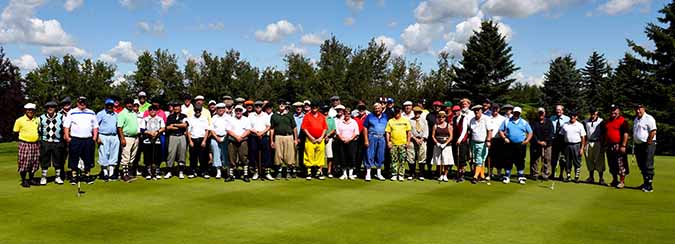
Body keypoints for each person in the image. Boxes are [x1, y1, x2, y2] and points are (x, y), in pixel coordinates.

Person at [63, 96, 98, 185]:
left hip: (88, 139)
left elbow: (95, 126)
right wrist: (67, 137)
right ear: (77, 102)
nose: (82, 104)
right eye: (80, 102)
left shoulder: (91, 112)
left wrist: (94, 137)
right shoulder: (72, 112)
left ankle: (87, 175)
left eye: (84, 102)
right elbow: (66, 126)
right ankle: (74, 176)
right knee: (74, 158)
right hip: (75, 139)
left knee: (88, 158)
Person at [499, 107, 532, 184]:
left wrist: (527, 140)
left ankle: (520, 176)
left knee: (520, 160)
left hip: (520, 144)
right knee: (508, 160)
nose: (516, 114)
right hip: (509, 144)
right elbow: (500, 130)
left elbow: (530, 132)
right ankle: (507, 176)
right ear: (513, 113)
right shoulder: (507, 121)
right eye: (515, 113)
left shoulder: (524, 122)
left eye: (518, 113)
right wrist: (504, 138)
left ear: (520, 114)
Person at [38, 101, 66, 185]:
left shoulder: (61, 117)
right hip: (45, 142)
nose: (50, 108)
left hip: (57, 142)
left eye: (52, 107)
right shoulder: (41, 118)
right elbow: (39, 129)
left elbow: (65, 128)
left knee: (58, 160)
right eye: (48, 107)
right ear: (46, 108)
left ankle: (57, 177)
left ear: (55, 108)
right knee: (44, 160)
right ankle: (43, 177)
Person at [13, 103, 40, 188]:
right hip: (25, 144)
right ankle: (24, 180)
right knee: (24, 163)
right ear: (25, 110)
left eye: (32, 110)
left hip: (35, 144)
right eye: (28, 109)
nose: (30, 111)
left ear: (34, 111)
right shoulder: (19, 120)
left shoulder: (37, 119)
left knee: (34, 163)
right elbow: (15, 132)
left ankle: (31, 179)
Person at [270, 99, 298, 179]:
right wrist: (272, 141)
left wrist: (295, 139)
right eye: (280, 104)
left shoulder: (290, 115)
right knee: (278, 155)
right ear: (278, 105)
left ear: (285, 105)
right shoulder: (274, 116)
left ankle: (288, 172)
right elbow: (272, 129)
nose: (281, 105)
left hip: (288, 136)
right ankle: (279, 171)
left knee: (289, 155)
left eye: (283, 104)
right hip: (278, 137)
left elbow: (294, 128)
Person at [604, 104, 630, 189]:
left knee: (620, 164)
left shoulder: (622, 121)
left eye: (615, 110)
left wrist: (623, 145)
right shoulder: (608, 121)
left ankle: (622, 181)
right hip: (609, 145)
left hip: (618, 145)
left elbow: (626, 134)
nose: (613, 112)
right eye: (612, 110)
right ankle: (614, 180)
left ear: (618, 111)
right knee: (612, 164)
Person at [633, 104, 657, 192]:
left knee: (648, 164)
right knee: (641, 164)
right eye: (636, 109)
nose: (638, 111)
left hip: (648, 144)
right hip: (638, 145)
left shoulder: (649, 118)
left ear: (643, 109)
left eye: (639, 109)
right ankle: (645, 182)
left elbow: (653, 131)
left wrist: (649, 142)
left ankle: (649, 185)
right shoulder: (636, 119)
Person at [301, 102, 328, 180]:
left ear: (318, 107)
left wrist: (321, 137)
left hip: (320, 139)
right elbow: (304, 128)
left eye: (316, 106)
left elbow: (325, 128)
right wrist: (311, 137)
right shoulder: (307, 116)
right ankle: (309, 172)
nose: (314, 108)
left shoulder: (322, 116)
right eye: (313, 106)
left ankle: (318, 172)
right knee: (309, 155)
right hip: (310, 139)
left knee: (320, 156)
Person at [363, 102, 389, 181]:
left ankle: (379, 173)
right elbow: (365, 128)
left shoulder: (385, 116)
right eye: (376, 108)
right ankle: (368, 173)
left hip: (382, 138)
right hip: (372, 137)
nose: (377, 110)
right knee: (369, 154)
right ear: (374, 109)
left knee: (380, 155)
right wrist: (366, 140)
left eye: (379, 108)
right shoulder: (369, 116)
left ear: (381, 109)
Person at [96, 99, 120, 182]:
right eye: (108, 105)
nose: (109, 107)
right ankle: (105, 173)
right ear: (105, 105)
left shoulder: (116, 114)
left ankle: (111, 173)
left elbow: (118, 126)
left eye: (111, 105)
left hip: (114, 136)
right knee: (104, 154)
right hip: (103, 135)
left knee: (113, 154)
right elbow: (96, 126)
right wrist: (97, 137)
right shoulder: (100, 114)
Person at [385, 107, 411, 181]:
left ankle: (401, 174)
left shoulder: (405, 121)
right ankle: (394, 174)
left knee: (402, 160)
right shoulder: (390, 121)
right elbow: (387, 132)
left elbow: (409, 132)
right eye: (396, 112)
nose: (397, 114)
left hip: (403, 143)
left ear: (400, 112)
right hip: (393, 144)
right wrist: (388, 142)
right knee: (394, 160)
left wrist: (408, 142)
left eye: (398, 112)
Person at [249, 101, 273, 181]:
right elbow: (249, 126)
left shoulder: (265, 115)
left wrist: (261, 133)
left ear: (262, 107)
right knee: (253, 153)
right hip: (254, 136)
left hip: (264, 136)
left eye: (259, 106)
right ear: (254, 107)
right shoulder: (251, 115)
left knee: (266, 153)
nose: (258, 107)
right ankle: (256, 171)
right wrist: (256, 132)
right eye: (256, 106)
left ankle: (267, 172)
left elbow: (268, 126)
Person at [117, 98, 140, 182]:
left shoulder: (133, 113)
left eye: (131, 103)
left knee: (132, 157)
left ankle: (129, 174)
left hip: (135, 137)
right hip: (127, 137)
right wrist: (122, 138)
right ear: (125, 104)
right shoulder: (122, 113)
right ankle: (125, 175)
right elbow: (119, 127)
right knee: (126, 156)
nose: (130, 105)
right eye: (128, 104)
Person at [165, 101, 189, 179]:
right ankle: (169, 171)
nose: (176, 108)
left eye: (178, 106)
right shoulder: (170, 116)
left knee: (182, 154)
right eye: (175, 107)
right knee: (171, 154)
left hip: (182, 136)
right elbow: (168, 127)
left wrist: (175, 124)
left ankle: (180, 171)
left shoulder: (184, 116)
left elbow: (185, 125)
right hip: (173, 136)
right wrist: (179, 125)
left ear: (180, 108)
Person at [560, 110, 586, 183]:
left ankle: (576, 177)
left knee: (577, 161)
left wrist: (582, 148)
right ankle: (568, 176)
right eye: (571, 115)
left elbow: (583, 137)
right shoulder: (565, 124)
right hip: (567, 145)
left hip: (576, 145)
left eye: (574, 116)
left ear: (576, 117)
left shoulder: (580, 125)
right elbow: (561, 135)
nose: (572, 117)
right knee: (567, 161)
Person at [228, 105, 252, 182]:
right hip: (232, 140)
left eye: (240, 110)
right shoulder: (231, 119)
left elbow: (248, 130)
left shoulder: (246, 119)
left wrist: (241, 137)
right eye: (237, 110)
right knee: (231, 158)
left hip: (243, 140)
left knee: (244, 157)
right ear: (235, 111)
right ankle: (231, 175)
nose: (238, 112)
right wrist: (236, 137)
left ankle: (245, 175)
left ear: (242, 111)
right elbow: (228, 130)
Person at [141, 105, 165, 180]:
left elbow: (163, 128)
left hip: (157, 140)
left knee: (157, 156)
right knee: (148, 156)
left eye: (154, 110)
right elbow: (142, 129)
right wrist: (149, 133)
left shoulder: (160, 119)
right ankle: (148, 172)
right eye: (151, 110)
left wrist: (157, 132)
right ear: (148, 111)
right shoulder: (145, 119)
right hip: (147, 140)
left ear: (156, 111)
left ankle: (156, 171)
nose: (152, 111)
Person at [468, 105, 491, 184]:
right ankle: (482, 176)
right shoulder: (472, 120)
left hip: (483, 142)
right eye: (475, 110)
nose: (476, 112)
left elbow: (490, 130)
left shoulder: (486, 118)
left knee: (479, 159)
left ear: (481, 110)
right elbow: (470, 131)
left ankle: (475, 176)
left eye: (478, 110)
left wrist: (488, 140)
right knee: (478, 160)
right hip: (473, 142)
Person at [186, 105, 210, 179]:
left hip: (202, 139)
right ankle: (193, 172)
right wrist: (190, 141)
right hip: (193, 139)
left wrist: (204, 141)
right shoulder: (190, 119)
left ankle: (203, 172)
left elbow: (206, 131)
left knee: (203, 157)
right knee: (193, 157)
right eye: (196, 110)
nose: (197, 111)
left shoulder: (204, 118)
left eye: (199, 110)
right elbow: (188, 131)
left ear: (201, 110)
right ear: (194, 110)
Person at [335, 107, 360, 180]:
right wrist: (342, 138)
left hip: (351, 142)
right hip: (342, 141)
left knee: (351, 157)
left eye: (348, 113)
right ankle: (344, 174)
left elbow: (356, 132)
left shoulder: (354, 122)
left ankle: (350, 174)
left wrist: (350, 139)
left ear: (350, 114)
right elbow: (337, 132)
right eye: (345, 113)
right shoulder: (340, 122)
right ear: (344, 113)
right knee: (343, 157)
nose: (347, 115)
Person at [530, 107, 554, 181]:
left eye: (542, 113)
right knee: (535, 159)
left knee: (547, 159)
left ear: (544, 113)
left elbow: (551, 132)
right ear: (538, 114)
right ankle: (535, 174)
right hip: (536, 143)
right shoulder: (533, 122)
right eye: (539, 113)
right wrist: (538, 141)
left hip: (547, 144)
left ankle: (545, 174)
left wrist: (545, 141)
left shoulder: (549, 122)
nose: (541, 114)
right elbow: (532, 133)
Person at [584, 107, 605, 184]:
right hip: (589, 142)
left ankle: (601, 178)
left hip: (598, 142)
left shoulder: (601, 121)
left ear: (597, 112)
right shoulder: (586, 121)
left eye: (594, 112)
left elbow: (603, 133)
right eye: (591, 112)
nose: (592, 114)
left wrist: (603, 144)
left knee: (599, 160)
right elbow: (584, 133)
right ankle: (591, 177)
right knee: (589, 160)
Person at [407, 106, 428, 180]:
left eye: (418, 112)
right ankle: (411, 173)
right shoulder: (410, 121)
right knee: (411, 156)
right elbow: (409, 131)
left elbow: (426, 131)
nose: (417, 114)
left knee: (422, 156)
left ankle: (421, 174)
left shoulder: (424, 121)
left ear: (420, 113)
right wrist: (415, 138)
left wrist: (422, 138)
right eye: (415, 112)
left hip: (422, 140)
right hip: (413, 140)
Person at [210, 103, 230, 180]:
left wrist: (224, 138)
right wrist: (217, 137)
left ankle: (228, 170)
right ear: (216, 109)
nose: (221, 110)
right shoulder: (214, 117)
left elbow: (230, 129)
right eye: (219, 108)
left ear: (225, 109)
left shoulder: (228, 117)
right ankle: (218, 171)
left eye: (222, 108)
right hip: (215, 138)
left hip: (226, 137)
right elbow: (211, 129)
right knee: (216, 153)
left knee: (226, 154)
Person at [431, 111, 453, 182]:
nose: (441, 118)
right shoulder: (435, 126)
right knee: (438, 160)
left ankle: (445, 175)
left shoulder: (448, 125)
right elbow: (433, 136)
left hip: (446, 145)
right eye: (439, 117)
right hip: (438, 145)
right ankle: (440, 174)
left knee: (446, 161)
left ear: (445, 118)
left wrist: (445, 143)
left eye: (443, 117)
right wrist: (437, 143)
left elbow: (451, 136)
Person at [550, 104, 570, 180]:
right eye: (557, 109)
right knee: (554, 158)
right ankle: (553, 173)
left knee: (563, 158)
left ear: (562, 110)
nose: (558, 111)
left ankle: (561, 174)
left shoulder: (567, 119)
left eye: (559, 109)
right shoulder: (552, 118)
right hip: (554, 140)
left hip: (563, 141)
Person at [487, 104, 506, 180]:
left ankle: (499, 174)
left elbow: (505, 129)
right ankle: (490, 173)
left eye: (496, 108)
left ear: (498, 109)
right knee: (490, 157)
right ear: (491, 109)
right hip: (490, 139)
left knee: (499, 157)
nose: (495, 110)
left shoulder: (503, 118)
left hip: (499, 140)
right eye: (493, 108)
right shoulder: (488, 118)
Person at [451, 105, 470, 182]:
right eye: (454, 111)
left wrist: (460, 139)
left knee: (462, 158)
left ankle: (462, 175)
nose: (456, 112)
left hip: (462, 140)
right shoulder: (454, 118)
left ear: (460, 111)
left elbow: (464, 130)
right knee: (456, 157)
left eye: (457, 111)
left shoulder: (464, 118)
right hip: (455, 140)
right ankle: (458, 173)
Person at [424, 101, 443, 177]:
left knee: (440, 155)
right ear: (433, 106)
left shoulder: (442, 115)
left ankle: (439, 171)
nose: (437, 107)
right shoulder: (429, 115)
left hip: (440, 138)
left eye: (438, 106)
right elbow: (426, 127)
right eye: (435, 106)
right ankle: (429, 170)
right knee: (430, 155)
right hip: (431, 138)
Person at [323, 105, 339, 178]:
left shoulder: (331, 119)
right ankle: (319, 170)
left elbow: (334, 129)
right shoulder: (320, 118)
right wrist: (323, 136)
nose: (325, 111)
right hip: (321, 138)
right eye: (324, 109)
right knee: (321, 156)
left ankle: (329, 171)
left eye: (326, 110)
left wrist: (328, 135)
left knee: (330, 156)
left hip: (329, 139)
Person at [293, 101, 306, 176]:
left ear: (302, 108)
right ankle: (293, 169)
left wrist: (300, 138)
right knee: (293, 154)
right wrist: (295, 138)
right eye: (297, 107)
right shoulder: (292, 116)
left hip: (303, 138)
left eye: (300, 107)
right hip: (294, 138)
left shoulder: (305, 116)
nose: (298, 108)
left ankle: (302, 169)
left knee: (302, 155)